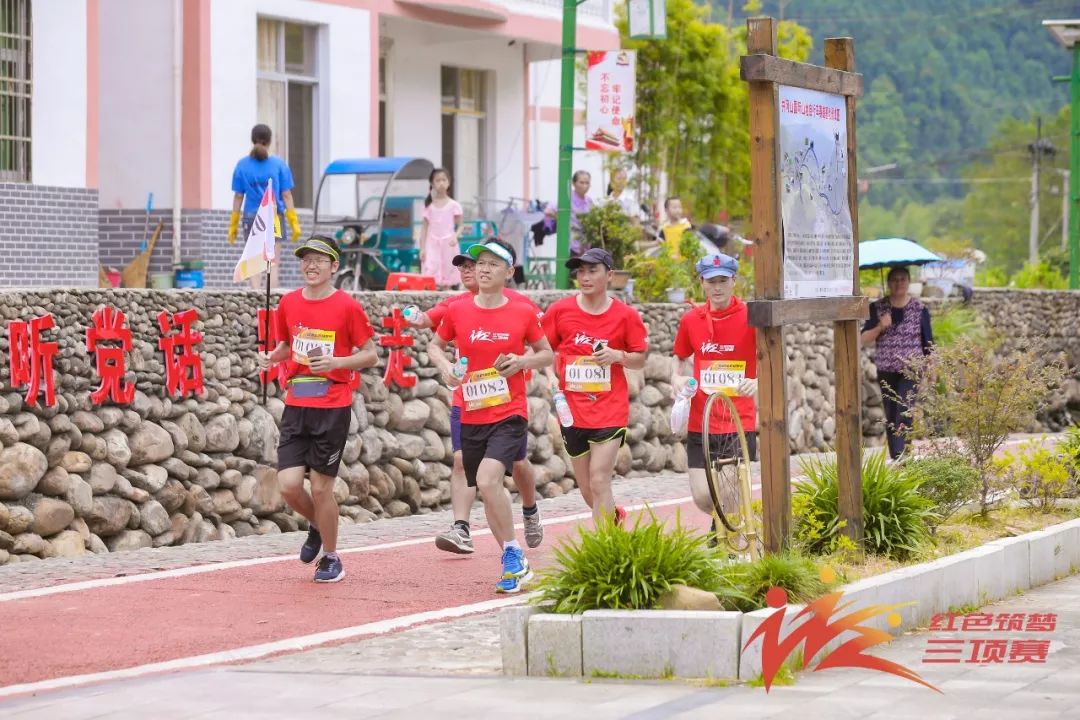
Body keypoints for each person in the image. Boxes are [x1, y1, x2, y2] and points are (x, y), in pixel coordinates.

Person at [427, 240, 554, 593]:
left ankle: (513, 554)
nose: (483, 269)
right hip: (471, 411)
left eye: (493, 264)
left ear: (509, 272)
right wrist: (446, 366)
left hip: (509, 410)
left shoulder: (522, 311)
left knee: (486, 480)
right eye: (480, 263)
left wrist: (523, 361)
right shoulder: (458, 309)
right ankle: (513, 557)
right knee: (487, 486)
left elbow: (547, 354)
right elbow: (434, 345)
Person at [257, 236, 378, 583]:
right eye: (306, 259)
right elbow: (285, 347)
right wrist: (271, 357)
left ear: (334, 266)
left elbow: (370, 354)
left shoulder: (347, 306)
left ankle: (331, 556)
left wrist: (337, 361)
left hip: (332, 405)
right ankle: (317, 524)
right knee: (290, 486)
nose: (311, 265)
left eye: (319, 260)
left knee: (323, 489)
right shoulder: (289, 303)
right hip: (296, 405)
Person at [541, 247, 649, 523]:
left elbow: (640, 359)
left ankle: (604, 552)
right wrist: (550, 376)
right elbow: (543, 349)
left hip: (609, 409)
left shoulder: (625, 316)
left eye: (592, 270)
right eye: (580, 271)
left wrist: (617, 356)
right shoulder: (560, 311)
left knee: (600, 479)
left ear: (609, 275)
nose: (585, 277)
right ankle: (613, 518)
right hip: (571, 410)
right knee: (588, 489)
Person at [670, 253, 758, 528]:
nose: (717, 288)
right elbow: (679, 357)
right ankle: (722, 525)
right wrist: (675, 378)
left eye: (723, 281)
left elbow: (781, 360)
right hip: (701, 422)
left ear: (734, 281)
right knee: (702, 496)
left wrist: (758, 382)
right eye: (711, 282)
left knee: (730, 492)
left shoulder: (752, 317)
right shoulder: (691, 320)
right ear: (702, 284)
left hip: (738, 422)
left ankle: (733, 549)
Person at [860, 265, 933, 460]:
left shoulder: (920, 309)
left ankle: (903, 458)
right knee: (891, 415)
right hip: (886, 369)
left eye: (902, 279)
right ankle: (896, 457)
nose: (898, 283)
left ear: (908, 282)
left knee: (904, 411)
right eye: (894, 279)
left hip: (911, 370)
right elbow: (863, 338)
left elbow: (928, 342)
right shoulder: (877, 307)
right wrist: (880, 326)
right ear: (888, 283)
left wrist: (930, 367)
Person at [228, 124, 302, 289]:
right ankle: (272, 300)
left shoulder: (242, 165)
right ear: (270, 141)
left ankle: (256, 299)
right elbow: (286, 195)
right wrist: (293, 221)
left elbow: (238, 196)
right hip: (273, 216)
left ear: (252, 140)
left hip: (251, 217)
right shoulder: (278, 165)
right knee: (272, 261)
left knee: (254, 261)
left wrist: (233, 223)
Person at [420, 168, 464, 290]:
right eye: (438, 180)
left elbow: (461, 225)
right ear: (432, 184)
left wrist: (455, 236)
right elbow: (424, 229)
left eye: (444, 180)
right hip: (432, 244)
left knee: (448, 272)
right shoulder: (429, 206)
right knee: (431, 269)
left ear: (448, 182)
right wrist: (422, 248)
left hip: (449, 244)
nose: (441, 183)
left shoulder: (454, 205)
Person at [569, 170, 594, 258]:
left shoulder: (589, 201)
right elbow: (548, 211)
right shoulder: (568, 199)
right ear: (574, 183)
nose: (585, 186)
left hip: (586, 247)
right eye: (581, 183)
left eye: (587, 183)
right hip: (572, 246)